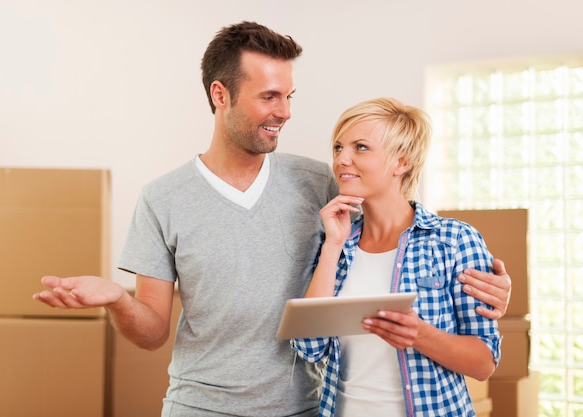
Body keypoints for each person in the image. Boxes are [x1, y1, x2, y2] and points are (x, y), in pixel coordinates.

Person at [33, 22, 510, 417]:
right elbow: (153, 332)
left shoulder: (320, 183)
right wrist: (118, 298)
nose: (283, 112)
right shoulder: (163, 199)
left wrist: (490, 288)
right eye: (268, 97)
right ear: (220, 94)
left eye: (289, 96)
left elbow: (400, 222)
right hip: (200, 406)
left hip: (302, 407)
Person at [292, 97, 501, 417]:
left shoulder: (453, 240)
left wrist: (420, 335)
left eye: (360, 147)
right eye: (337, 147)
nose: (341, 159)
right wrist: (333, 245)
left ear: (401, 162)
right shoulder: (336, 245)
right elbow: (309, 348)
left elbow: (484, 362)